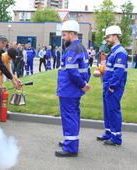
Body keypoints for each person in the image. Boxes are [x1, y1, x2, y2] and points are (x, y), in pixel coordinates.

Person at [55, 20, 91, 157]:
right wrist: (85, 83)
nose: (62, 38)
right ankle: (70, 141)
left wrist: (82, 84)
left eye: (64, 35)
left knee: (69, 117)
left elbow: (72, 71)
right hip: (74, 90)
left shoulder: (71, 49)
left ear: (71, 34)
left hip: (68, 89)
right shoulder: (82, 48)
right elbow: (85, 69)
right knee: (73, 116)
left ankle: (70, 147)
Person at [96, 25, 128, 146]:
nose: (107, 40)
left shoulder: (120, 52)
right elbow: (111, 69)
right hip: (108, 85)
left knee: (113, 109)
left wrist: (112, 85)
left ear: (115, 36)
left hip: (113, 87)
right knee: (107, 109)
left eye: (108, 37)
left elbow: (118, 72)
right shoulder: (114, 52)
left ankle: (116, 137)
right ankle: (109, 132)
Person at [0, 47, 21, 119]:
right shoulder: (2, 57)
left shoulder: (6, 59)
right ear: (10, 56)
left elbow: (8, 71)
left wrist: (16, 79)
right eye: (12, 58)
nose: (11, 60)